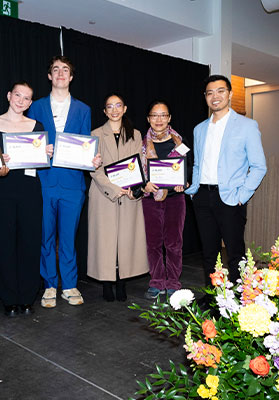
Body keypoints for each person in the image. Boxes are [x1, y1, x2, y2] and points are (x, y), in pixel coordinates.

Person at [27, 55, 101, 308]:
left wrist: (92, 159)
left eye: (65, 69)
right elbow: (28, 145)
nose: (60, 73)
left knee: (68, 237)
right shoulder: (35, 107)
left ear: (71, 77)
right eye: (55, 69)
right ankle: (49, 284)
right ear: (49, 76)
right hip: (44, 182)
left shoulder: (84, 110)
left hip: (72, 184)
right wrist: (39, 150)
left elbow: (84, 146)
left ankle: (69, 285)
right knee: (45, 237)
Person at [185, 75, 267, 287]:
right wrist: (194, 190)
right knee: (209, 254)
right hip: (202, 197)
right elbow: (197, 164)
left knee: (235, 253)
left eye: (220, 91)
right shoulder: (199, 129)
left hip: (231, 198)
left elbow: (259, 166)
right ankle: (214, 300)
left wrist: (242, 196)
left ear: (230, 94)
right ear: (205, 97)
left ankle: (239, 300)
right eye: (210, 92)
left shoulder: (247, 126)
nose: (215, 96)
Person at [0, 81, 52, 317]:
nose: (21, 101)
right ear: (8, 95)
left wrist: (46, 154)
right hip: (1, 189)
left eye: (26, 98)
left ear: (30, 102)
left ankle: (26, 297)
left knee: (29, 243)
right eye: (17, 95)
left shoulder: (37, 126)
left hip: (29, 189)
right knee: (4, 243)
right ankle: (8, 298)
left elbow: (42, 162)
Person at [88, 94, 149, 302]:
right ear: (105, 111)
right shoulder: (95, 134)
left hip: (129, 194)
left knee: (125, 240)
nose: (114, 110)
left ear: (124, 109)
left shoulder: (136, 134)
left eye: (118, 105)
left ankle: (121, 281)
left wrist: (133, 187)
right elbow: (94, 170)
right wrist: (114, 188)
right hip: (104, 194)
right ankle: (107, 283)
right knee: (105, 241)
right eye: (109, 106)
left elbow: (139, 165)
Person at [141, 100, 187, 299]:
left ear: (169, 118)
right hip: (151, 200)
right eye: (154, 115)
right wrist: (145, 184)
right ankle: (157, 281)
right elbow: (135, 171)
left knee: (174, 243)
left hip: (175, 199)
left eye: (163, 115)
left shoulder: (180, 143)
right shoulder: (141, 143)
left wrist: (183, 183)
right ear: (148, 118)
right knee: (153, 243)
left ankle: (173, 282)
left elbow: (187, 170)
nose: (158, 119)